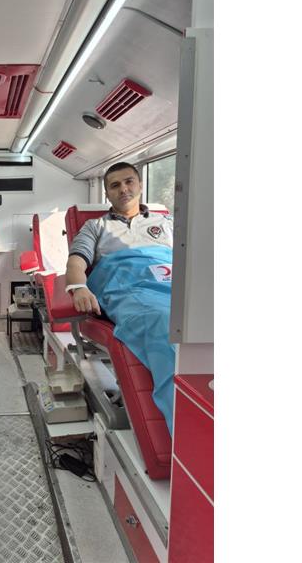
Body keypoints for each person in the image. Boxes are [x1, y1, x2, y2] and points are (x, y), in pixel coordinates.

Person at [64, 161, 176, 434]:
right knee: (164, 322)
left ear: (140, 185)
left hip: (172, 283)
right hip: (128, 289)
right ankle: (184, 429)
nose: (123, 189)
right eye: (115, 185)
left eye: (129, 182)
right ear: (107, 194)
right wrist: (78, 287)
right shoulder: (95, 226)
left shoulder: (168, 223)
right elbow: (76, 262)